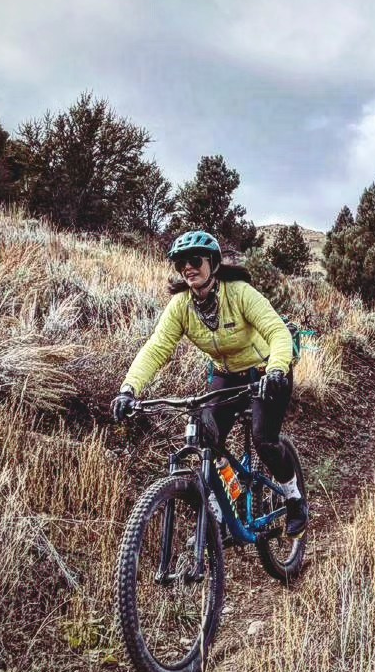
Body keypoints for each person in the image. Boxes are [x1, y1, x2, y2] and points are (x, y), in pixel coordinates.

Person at [111, 230, 308, 538]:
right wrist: (128, 389)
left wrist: (277, 370)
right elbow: (157, 347)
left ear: (213, 263)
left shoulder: (240, 292)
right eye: (180, 264)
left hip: (266, 371)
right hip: (226, 375)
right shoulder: (181, 306)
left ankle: (294, 497)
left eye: (194, 260)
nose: (188, 268)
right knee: (206, 436)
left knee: (263, 438)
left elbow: (277, 332)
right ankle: (217, 513)